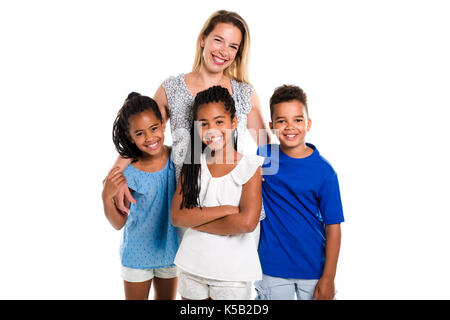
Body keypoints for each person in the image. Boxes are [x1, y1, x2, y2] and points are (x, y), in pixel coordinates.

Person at [110, 10, 270, 215]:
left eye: (233, 46)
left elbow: (266, 144)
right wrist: (116, 176)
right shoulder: (172, 89)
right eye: (219, 40)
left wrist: (260, 172)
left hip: (232, 198)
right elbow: (144, 132)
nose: (224, 51)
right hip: (188, 201)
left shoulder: (244, 92)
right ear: (203, 39)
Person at [171, 86, 264, 300]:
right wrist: (227, 210)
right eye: (204, 124)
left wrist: (195, 219)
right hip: (192, 266)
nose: (212, 130)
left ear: (233, 123)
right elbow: (177, 217)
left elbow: (246, 223)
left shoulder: (250, 166)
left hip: (232, 274)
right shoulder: (193, 165)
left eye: (219, 122)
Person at [254, 85, 344, 300]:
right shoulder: (263, 157)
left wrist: (329, 277)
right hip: (271, 266)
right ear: (272, 126)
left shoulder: (325, 171)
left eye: (297, 120)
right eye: (282, 121)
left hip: (313, 268)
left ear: (308, 123)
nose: (289, 127)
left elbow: (333, 227)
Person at [102, 93, 179, 300]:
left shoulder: (178, 159)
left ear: (163, 124)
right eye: (140, 133)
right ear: (130, 137)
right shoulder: (129, 172)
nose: (150, 138)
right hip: (137, 254)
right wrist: (105, 197)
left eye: (154, 128)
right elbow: (119, 223)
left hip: (171, 251)